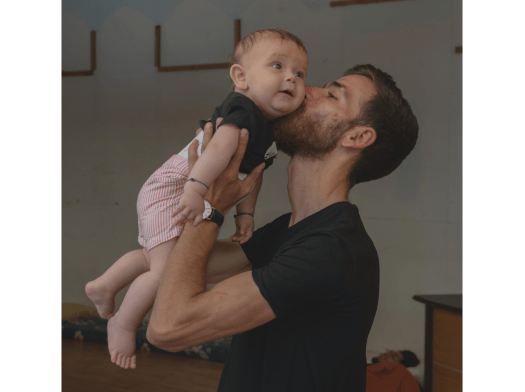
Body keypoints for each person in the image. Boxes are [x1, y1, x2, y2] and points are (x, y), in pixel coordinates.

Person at [146, 63, 419, 391]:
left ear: (357, 136)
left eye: (332, 95)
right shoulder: (287, 230)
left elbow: (168, 328)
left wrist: (211, 206)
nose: (307, 90)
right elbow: (170, 269)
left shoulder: (330, 249)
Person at [84, 29, 308, 369]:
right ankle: (123, 322)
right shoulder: (242, 108)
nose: (291, 77)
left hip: (192, 187)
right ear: (241, 77)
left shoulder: (269, 131)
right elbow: (218, 149)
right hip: (175, 188)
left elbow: (252, 177)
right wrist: (194, 189)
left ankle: (104, 285)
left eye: (300, 73)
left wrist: (244, 215)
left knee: (159, 256)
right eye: (277, 66)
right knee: (167, 272)